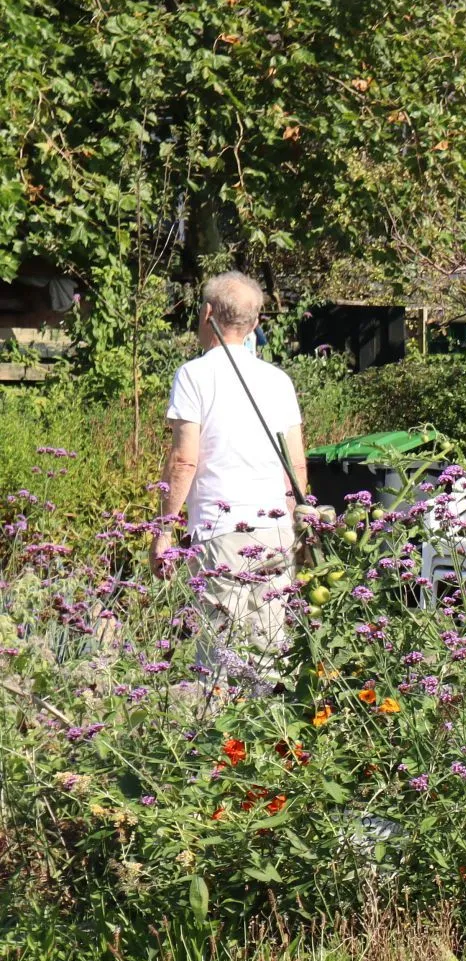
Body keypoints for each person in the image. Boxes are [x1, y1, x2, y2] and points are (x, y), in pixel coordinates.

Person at [152, 272, 308, 678]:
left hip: (222, 532)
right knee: (268, 656)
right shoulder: (279, 381)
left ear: (206, 314)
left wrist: (164, 531)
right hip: (275, 531)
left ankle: (226, 738)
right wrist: (297, 527)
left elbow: (184, 460)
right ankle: (269, 737)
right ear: (255, 323)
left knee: (221, 659)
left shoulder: (194, 375)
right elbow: (296, 467)